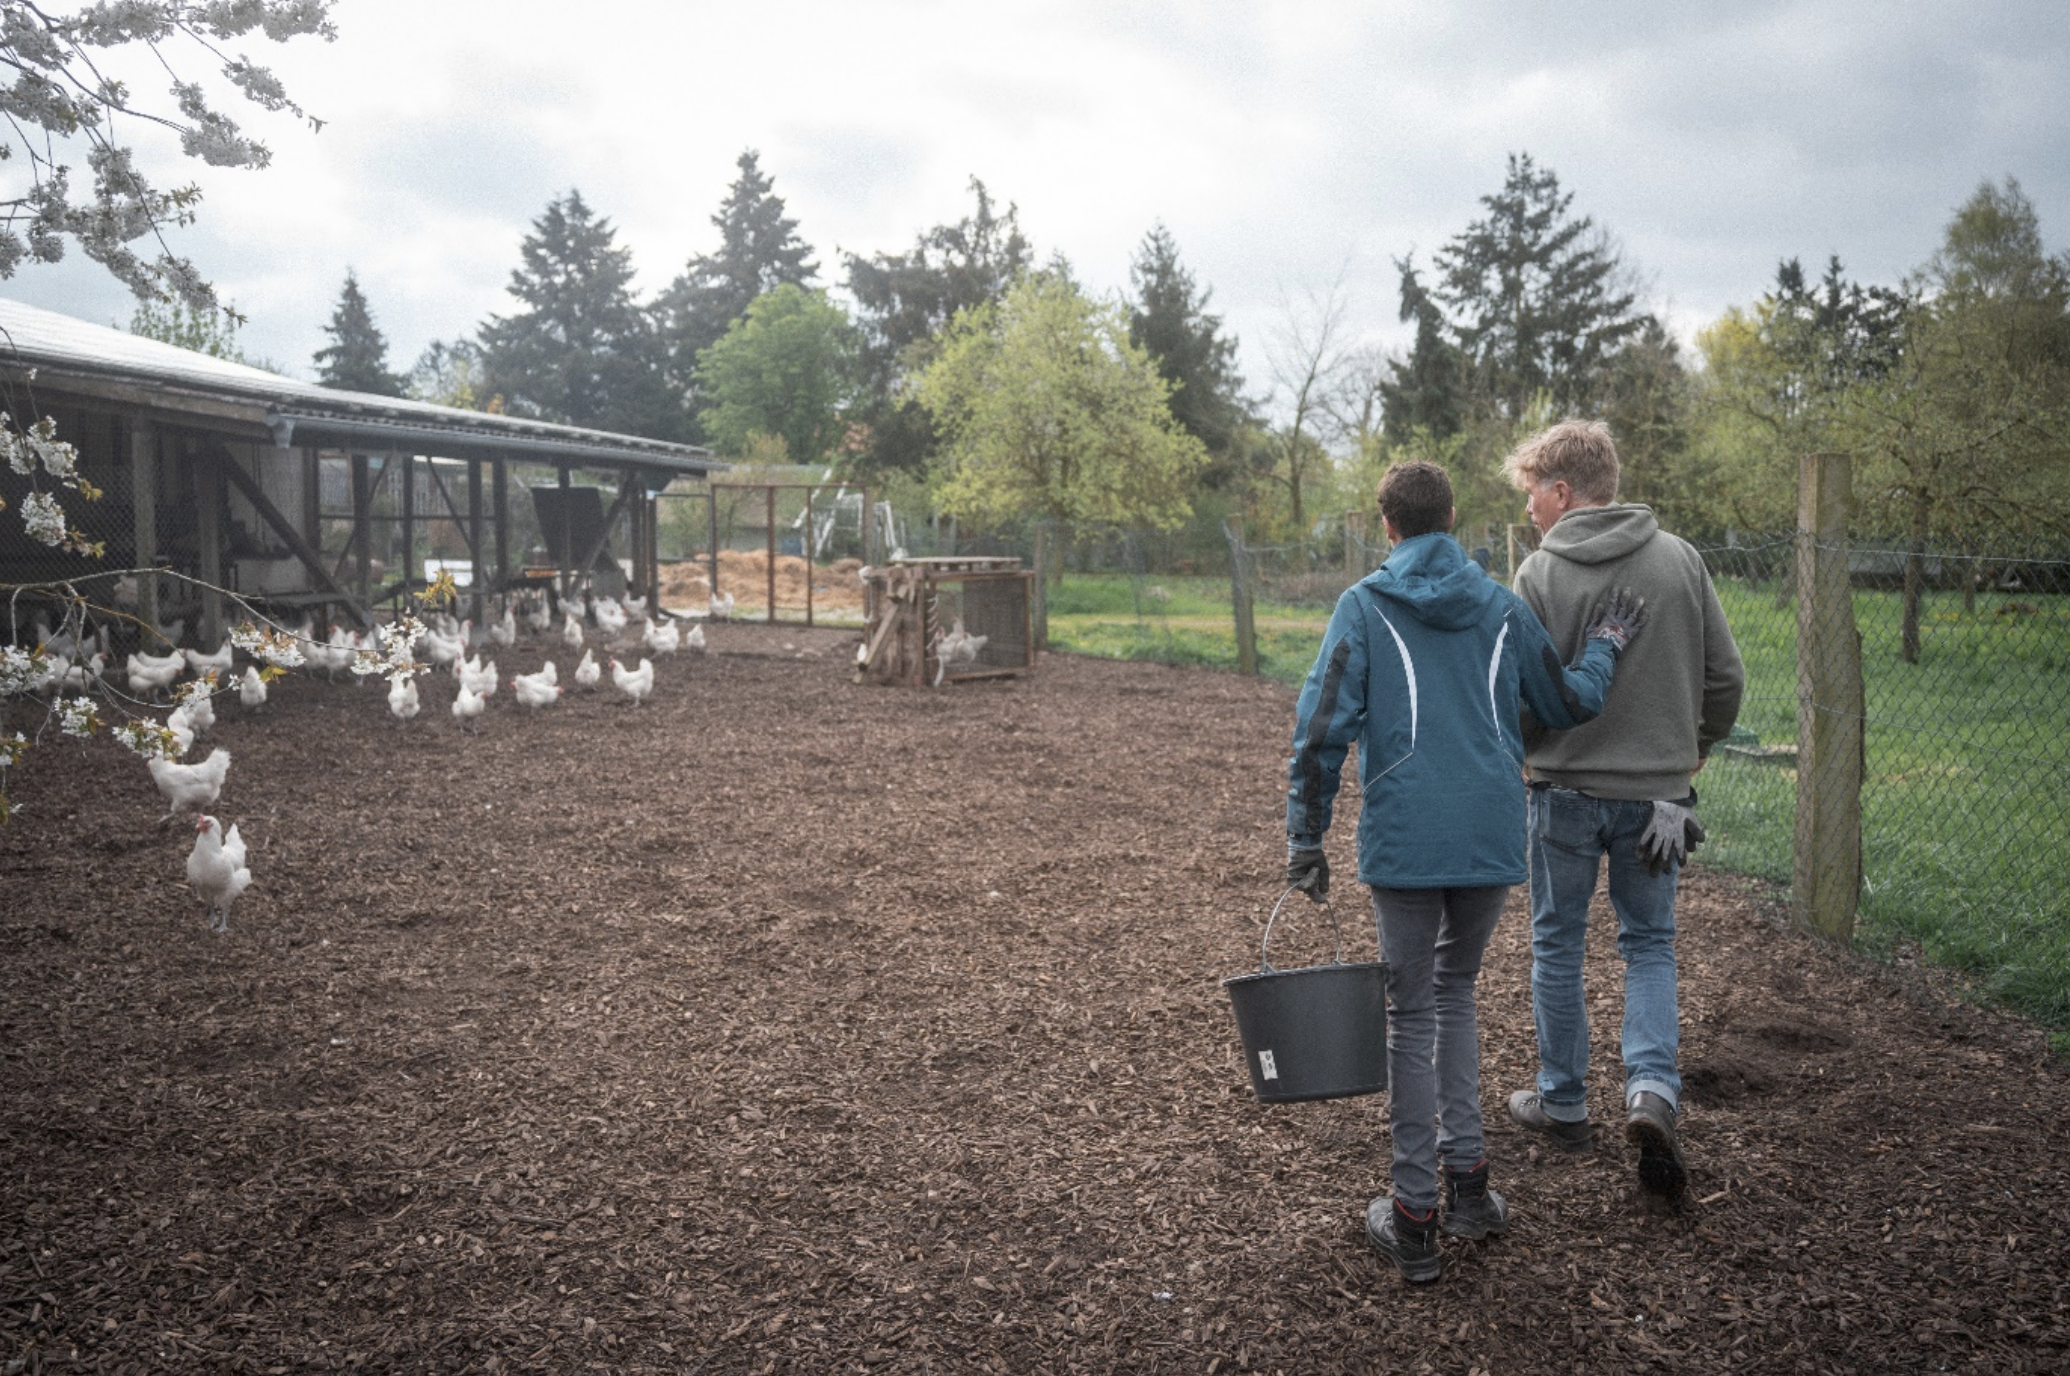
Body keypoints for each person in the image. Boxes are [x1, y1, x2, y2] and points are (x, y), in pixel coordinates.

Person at [1283, 460, 1646, 1284]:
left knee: (1412, 1013)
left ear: (1388, 527)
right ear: (1451, 518)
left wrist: (1306, 840)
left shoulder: (1366, 607)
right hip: (1487, 838)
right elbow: (1567, 703)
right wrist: (1604, 646)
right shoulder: (1499, 607)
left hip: (1407, 844)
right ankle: (1471, 1191)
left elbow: (1319, 733)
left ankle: (1414, 1219)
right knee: (1455, 993)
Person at [1499, 419, 1744, 1201]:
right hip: (1658, 801)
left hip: (1563, 792)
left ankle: (1564, 1102)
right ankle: (1650, 1093)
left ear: (1563, 491)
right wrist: (1692, 749)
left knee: (1558, 945)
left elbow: (1520, 699)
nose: (1530, 508)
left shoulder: (1538, 574)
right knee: (1649, 944)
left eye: (1534, 492)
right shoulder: (1680, 559)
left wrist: (1533, 750)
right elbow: (1725, 678)